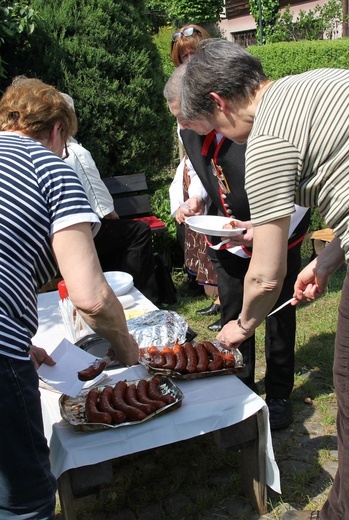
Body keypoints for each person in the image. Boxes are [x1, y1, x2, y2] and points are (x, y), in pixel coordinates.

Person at [179, 38, 349, 520]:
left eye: (215, 127)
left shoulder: (267, 139)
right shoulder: (316, 82)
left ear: (219, 102)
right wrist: (327, 262)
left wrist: (242, 326)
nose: (225, 140)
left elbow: (266, 275)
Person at [0, 77, 138, 519]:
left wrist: (22, 344)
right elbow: (92, 297)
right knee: (25, 498)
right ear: (58, 129)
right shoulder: (50, 167)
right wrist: (129, 352)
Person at [164, 63, 310, 430]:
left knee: (276, 314)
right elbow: (200, 169)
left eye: (185, 117)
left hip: (278, 231)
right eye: (179, 120)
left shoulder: (261, 123)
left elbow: (299, 188)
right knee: (234, 315)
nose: (184, 127)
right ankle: (239, 386)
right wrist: (197, 198)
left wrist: (266, 230)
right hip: (224, 236)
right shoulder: (191, 130)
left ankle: (278, 395)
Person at [61, 93, 159, 304]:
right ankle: (145, 297)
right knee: (138, 231)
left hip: (57, 233)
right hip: (80, 233)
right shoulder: (74, 151)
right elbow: (98, 196)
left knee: (116, 235)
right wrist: (112, 216)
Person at [170, 23, 221, 331]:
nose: (190, 61)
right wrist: (187, 194)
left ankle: (230, 304)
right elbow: (190, 156)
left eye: (195, 53)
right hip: (200, 180)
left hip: (225, 181)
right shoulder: (179, 102)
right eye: (184, 56)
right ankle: (221, 301)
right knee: (206, 247)